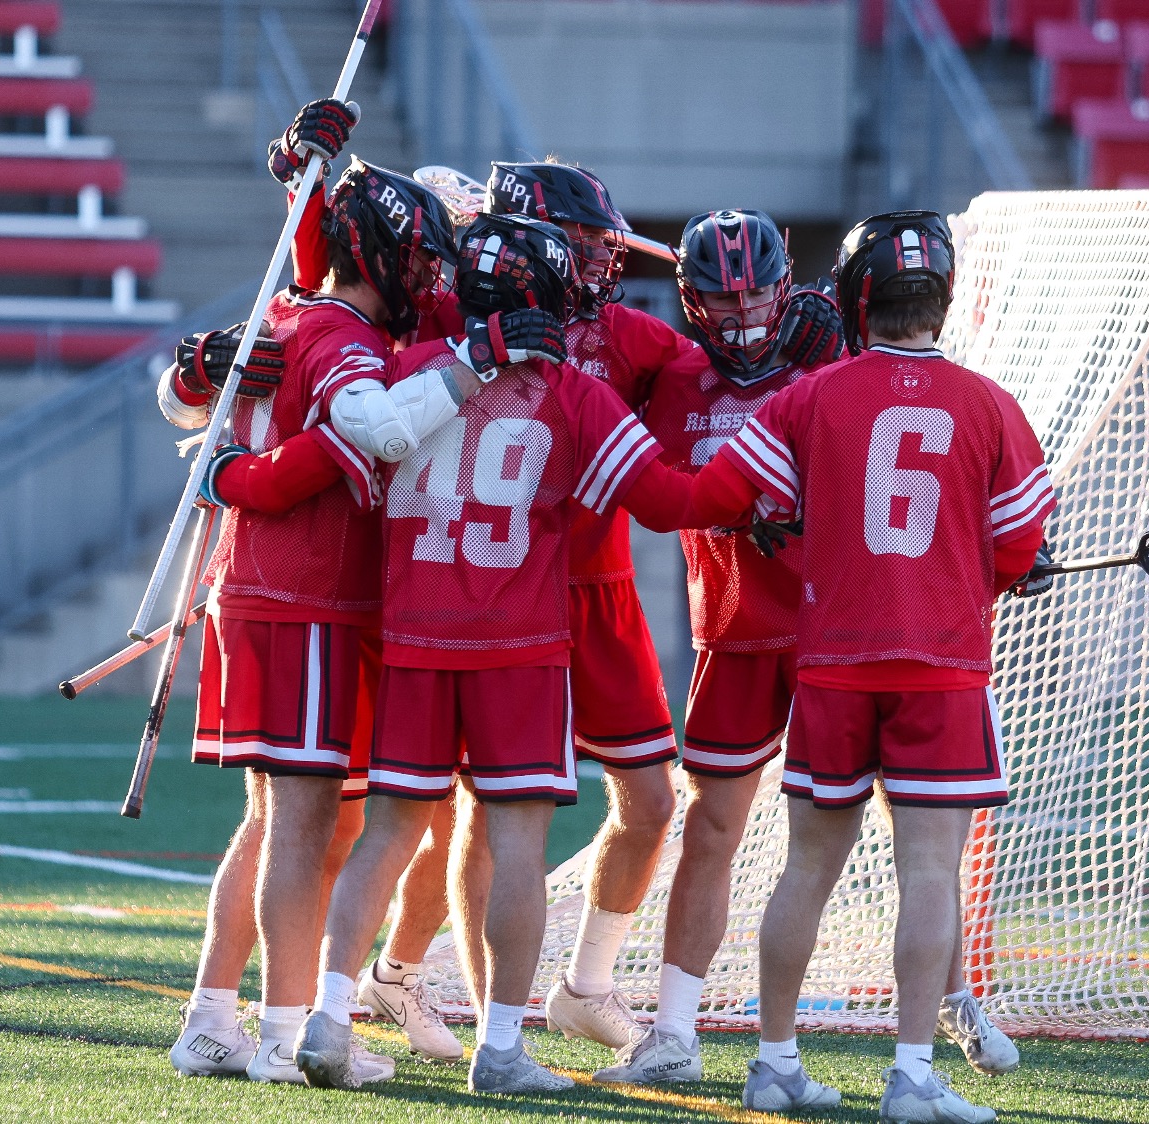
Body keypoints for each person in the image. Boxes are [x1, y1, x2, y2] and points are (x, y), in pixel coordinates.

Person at [289, 213, 712, 1096]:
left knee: (392, 831)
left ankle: (329, 1016)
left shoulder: (406, 371)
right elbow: (668, 502)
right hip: (517, 647)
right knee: (517, 842)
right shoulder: (572, 391)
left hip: (413, 638)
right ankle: (502, 1047)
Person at [675, 211, 1054, 1122]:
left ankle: (774, 1062)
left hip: (834, 667)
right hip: (941, 666)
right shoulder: (990, 404)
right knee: (930, 871)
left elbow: (718, 497)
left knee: (806, 867)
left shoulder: (810, 398)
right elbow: (1017, 548)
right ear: (942, 297)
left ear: (853, 299)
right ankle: (913, 1074)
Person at [161, 98, 470, 1085]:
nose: (431, 275)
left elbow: (189, 390)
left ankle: (218, 1016)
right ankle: (281, 1030)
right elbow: (364, 432)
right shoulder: (336, 329)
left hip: (291, 596)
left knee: (303, 819)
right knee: (299, 822)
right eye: (421, 257)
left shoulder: (305, 312)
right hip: (298, 598)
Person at [587, 208, 838, 1085]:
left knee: (899, 824)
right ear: (688, 302)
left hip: (835, 631)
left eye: (758, 295)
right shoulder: (672, 377)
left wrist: (841, 319)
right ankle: (677, 1034)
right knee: (711, 829)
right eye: (721, 300)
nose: (742, 315)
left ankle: (943, 1010)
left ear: (787, 285)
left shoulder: (828, 358)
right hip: (732, 631)